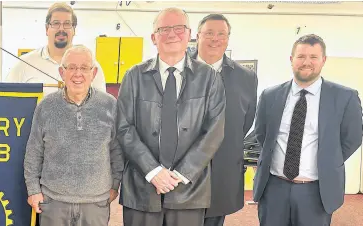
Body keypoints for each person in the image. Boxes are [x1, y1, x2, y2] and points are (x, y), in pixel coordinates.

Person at [116, 7, 226, 226]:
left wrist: (181, 174)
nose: (172, 34)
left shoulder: (209, 78)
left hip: (189, 189)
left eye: (179, 28)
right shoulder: (134, 76)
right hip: (142, 188)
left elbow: (214, 131)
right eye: (164, 29)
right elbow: (123, 127)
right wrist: (152, 170)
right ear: (153, 37)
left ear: (189, 34)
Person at [252, 34, 362, 226]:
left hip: (316, 191)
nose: (306, 62)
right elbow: (262, 134)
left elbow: (352, 138)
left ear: (323, 60)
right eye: (301, 56)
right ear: (291, 59)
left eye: (313, 57)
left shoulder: (345, 97)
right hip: (273, 187)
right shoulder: (270, 95)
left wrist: (328, 160)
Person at [24, 45, 123, 226]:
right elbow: (34, 151)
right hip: (54, 203)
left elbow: (117, 150)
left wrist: (115, 184)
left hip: (96, 204)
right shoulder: (46, 106)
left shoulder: (110, 105)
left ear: (93, 73)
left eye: (84, 68)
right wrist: (33, 190)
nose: (78, 74)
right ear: (62, 73)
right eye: (72, 67)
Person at [189, 14, 258, 226]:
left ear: (228, 38)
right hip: (182, 167)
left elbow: (244, 121)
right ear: (197, 36)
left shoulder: (246, 77)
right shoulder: (178, 70)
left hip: (222, 168)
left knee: (214, 220)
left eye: (221, 34)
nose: (215, 38)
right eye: (209, 33)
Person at [5, 2, 106, 95]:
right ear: (47, 29)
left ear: (74, 30)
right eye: (56, 23)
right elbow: (7, 97)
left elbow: (102, 106)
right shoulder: (24, 64)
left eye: (67, 24)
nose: (61, 29)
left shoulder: (91, 66)